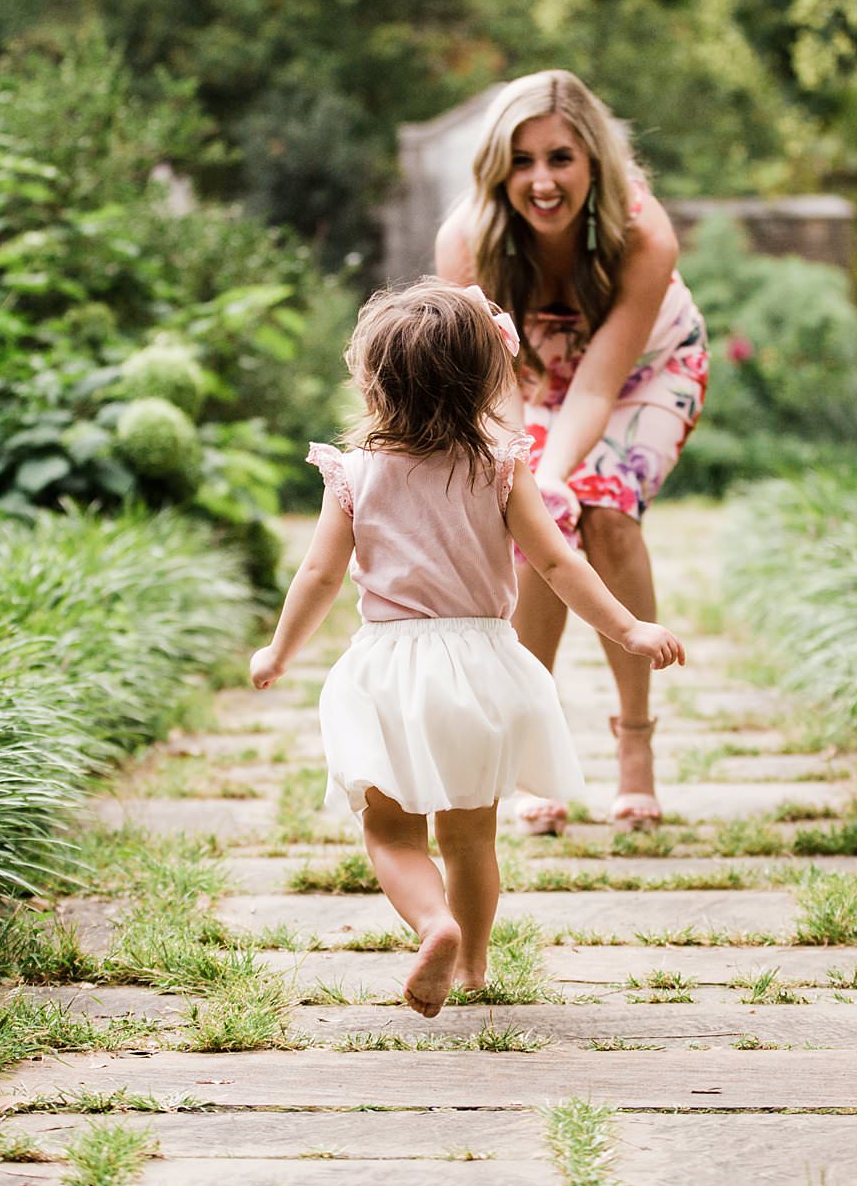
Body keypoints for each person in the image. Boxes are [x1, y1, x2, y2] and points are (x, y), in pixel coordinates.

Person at [250, 280, 685, 1017]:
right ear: (488, 379)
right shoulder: (500, 464)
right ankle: (475, 965)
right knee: (472, 836)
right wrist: (628, 627)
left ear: (373, 381)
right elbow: (557, 562)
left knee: (390, 830)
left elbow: (320, 573)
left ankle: (434, 924)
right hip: (483, 671)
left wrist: (280, 649)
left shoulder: (353, 474)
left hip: (389, 673)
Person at [435, 70, 709, 839]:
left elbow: (598, 382)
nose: (541, 180)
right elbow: (500, 380)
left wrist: (553, 478)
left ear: (593, 159)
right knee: (540, 522)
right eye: (521, 161)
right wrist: (532, 481)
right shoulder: (465, 240)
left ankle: (635, 745)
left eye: (560, 158)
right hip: (524, 378)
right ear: (498, 167)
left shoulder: (643, 232)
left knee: (602, 509)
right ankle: (535, 749)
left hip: (646, 370)